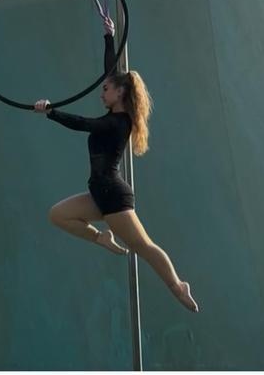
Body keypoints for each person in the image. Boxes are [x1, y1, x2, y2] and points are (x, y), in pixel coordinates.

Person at [33, 16, 198, 312]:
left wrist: (51, 112)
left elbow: (84, 124)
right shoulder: (115, 104)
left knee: (143, 246)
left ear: (119, 93)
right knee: (58, 215)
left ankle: (177, 285)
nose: (101, 93)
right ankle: (102, 237)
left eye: (105, 90)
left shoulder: (119, 122)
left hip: (113, 196)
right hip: (99, 193)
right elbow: (111, 71)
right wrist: (108, 36)